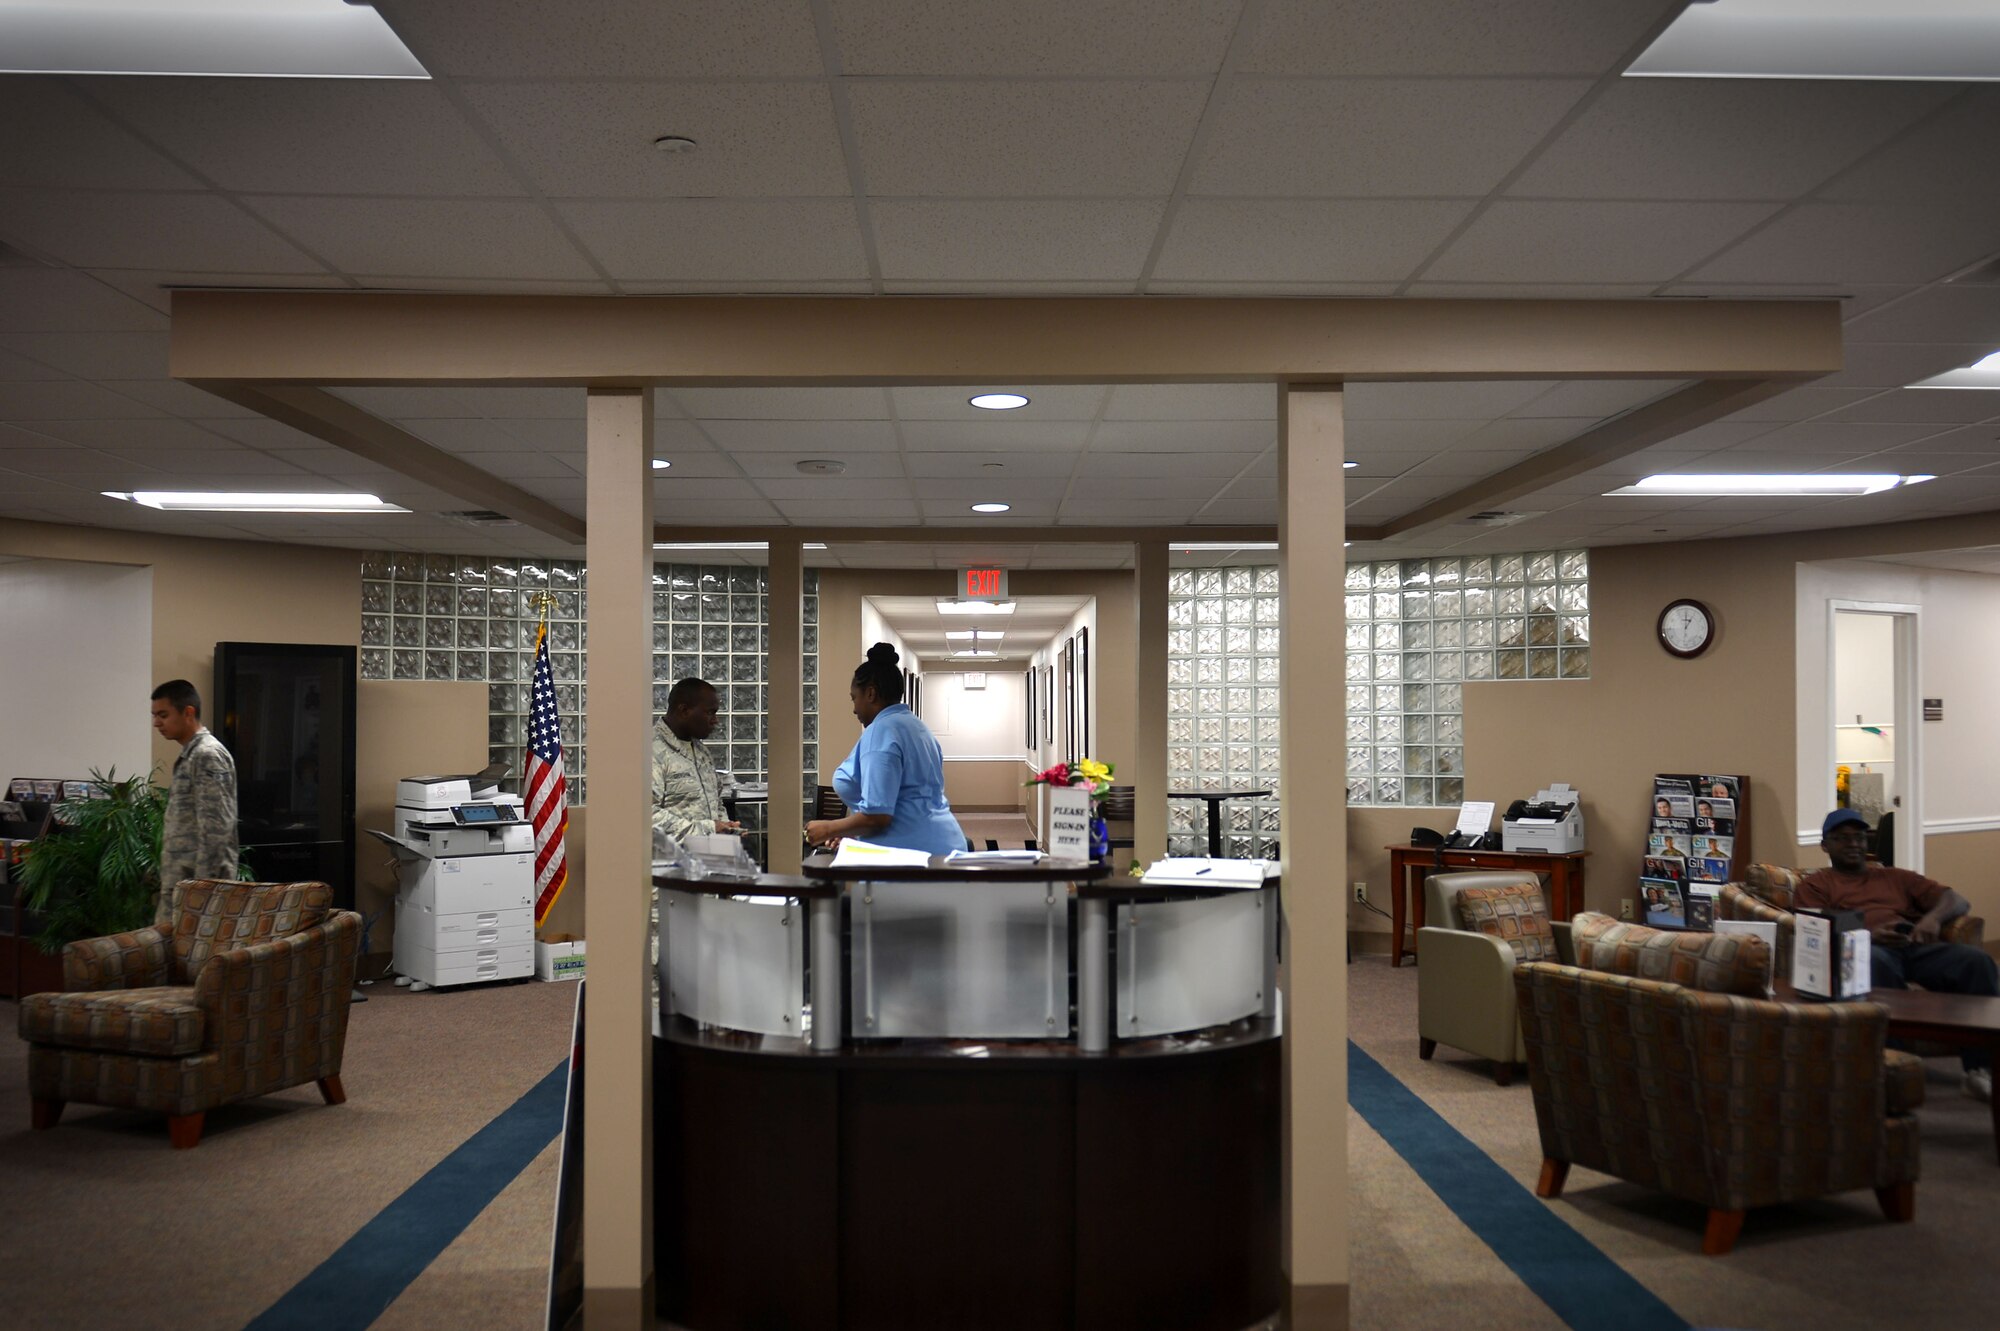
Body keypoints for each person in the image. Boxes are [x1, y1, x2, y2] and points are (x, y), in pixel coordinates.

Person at [1798, 808, 1997, 1103]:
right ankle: (1896, 1067)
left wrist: (1932, 920)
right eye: (1842, 838)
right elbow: (1813, 927)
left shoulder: (1895, 877)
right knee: (1874, 962)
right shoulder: (1816, 885)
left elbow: (1956, 899)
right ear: (1825, 845)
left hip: (1912, 945)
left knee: (1976, 962)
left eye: (1859, 837)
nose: (1853, 844)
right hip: (1864, 950)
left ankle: (1980, 1069)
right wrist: (1867, 935)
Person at [805, 643, 964, 858]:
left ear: (870, 694)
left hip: (911, 856)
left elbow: (877, 815)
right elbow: (905, 801)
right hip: (942, 845)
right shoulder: (918, 728)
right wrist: (850, 831)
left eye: (854, 698)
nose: (854, 709)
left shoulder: (881, 732)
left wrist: (828, 828)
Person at [150, 679, 238, 920]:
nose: (156, 723)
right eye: (155, 716)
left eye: (163, 715)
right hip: (182, 885)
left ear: (188, 712)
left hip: (199, 894)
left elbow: (216, 829)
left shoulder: (207, 755)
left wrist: (202, 891)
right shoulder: (191, 754)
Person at [651, 677, 739, 847]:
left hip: (708, 856)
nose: (715, 720)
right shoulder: (650, 751)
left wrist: (726, 829)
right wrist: (708, 829)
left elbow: (717, 803)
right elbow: (646, 816)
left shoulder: (701, 752)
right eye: (710, 712)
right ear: (684, 711)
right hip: (669, 859)